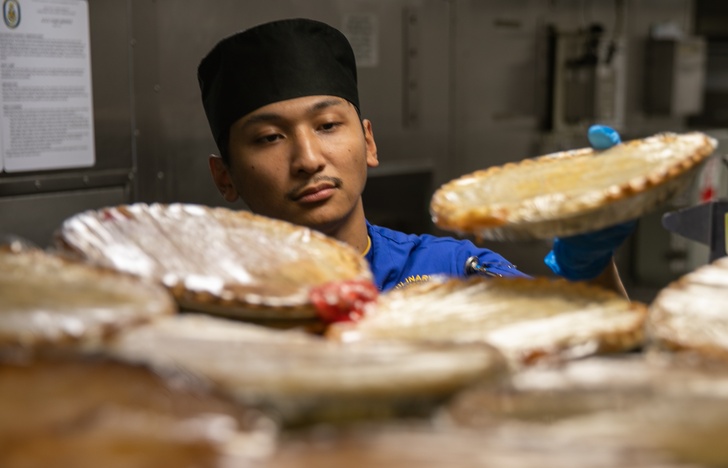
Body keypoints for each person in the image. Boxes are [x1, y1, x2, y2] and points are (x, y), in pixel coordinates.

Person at [197, 17, 636, 294]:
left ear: (368, 142)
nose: (308, 159)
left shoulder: (452, 269)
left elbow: (598, 370)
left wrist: (593, 268)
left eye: (328, 126)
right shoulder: (203, 298)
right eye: (270, 137)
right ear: (225, 177)